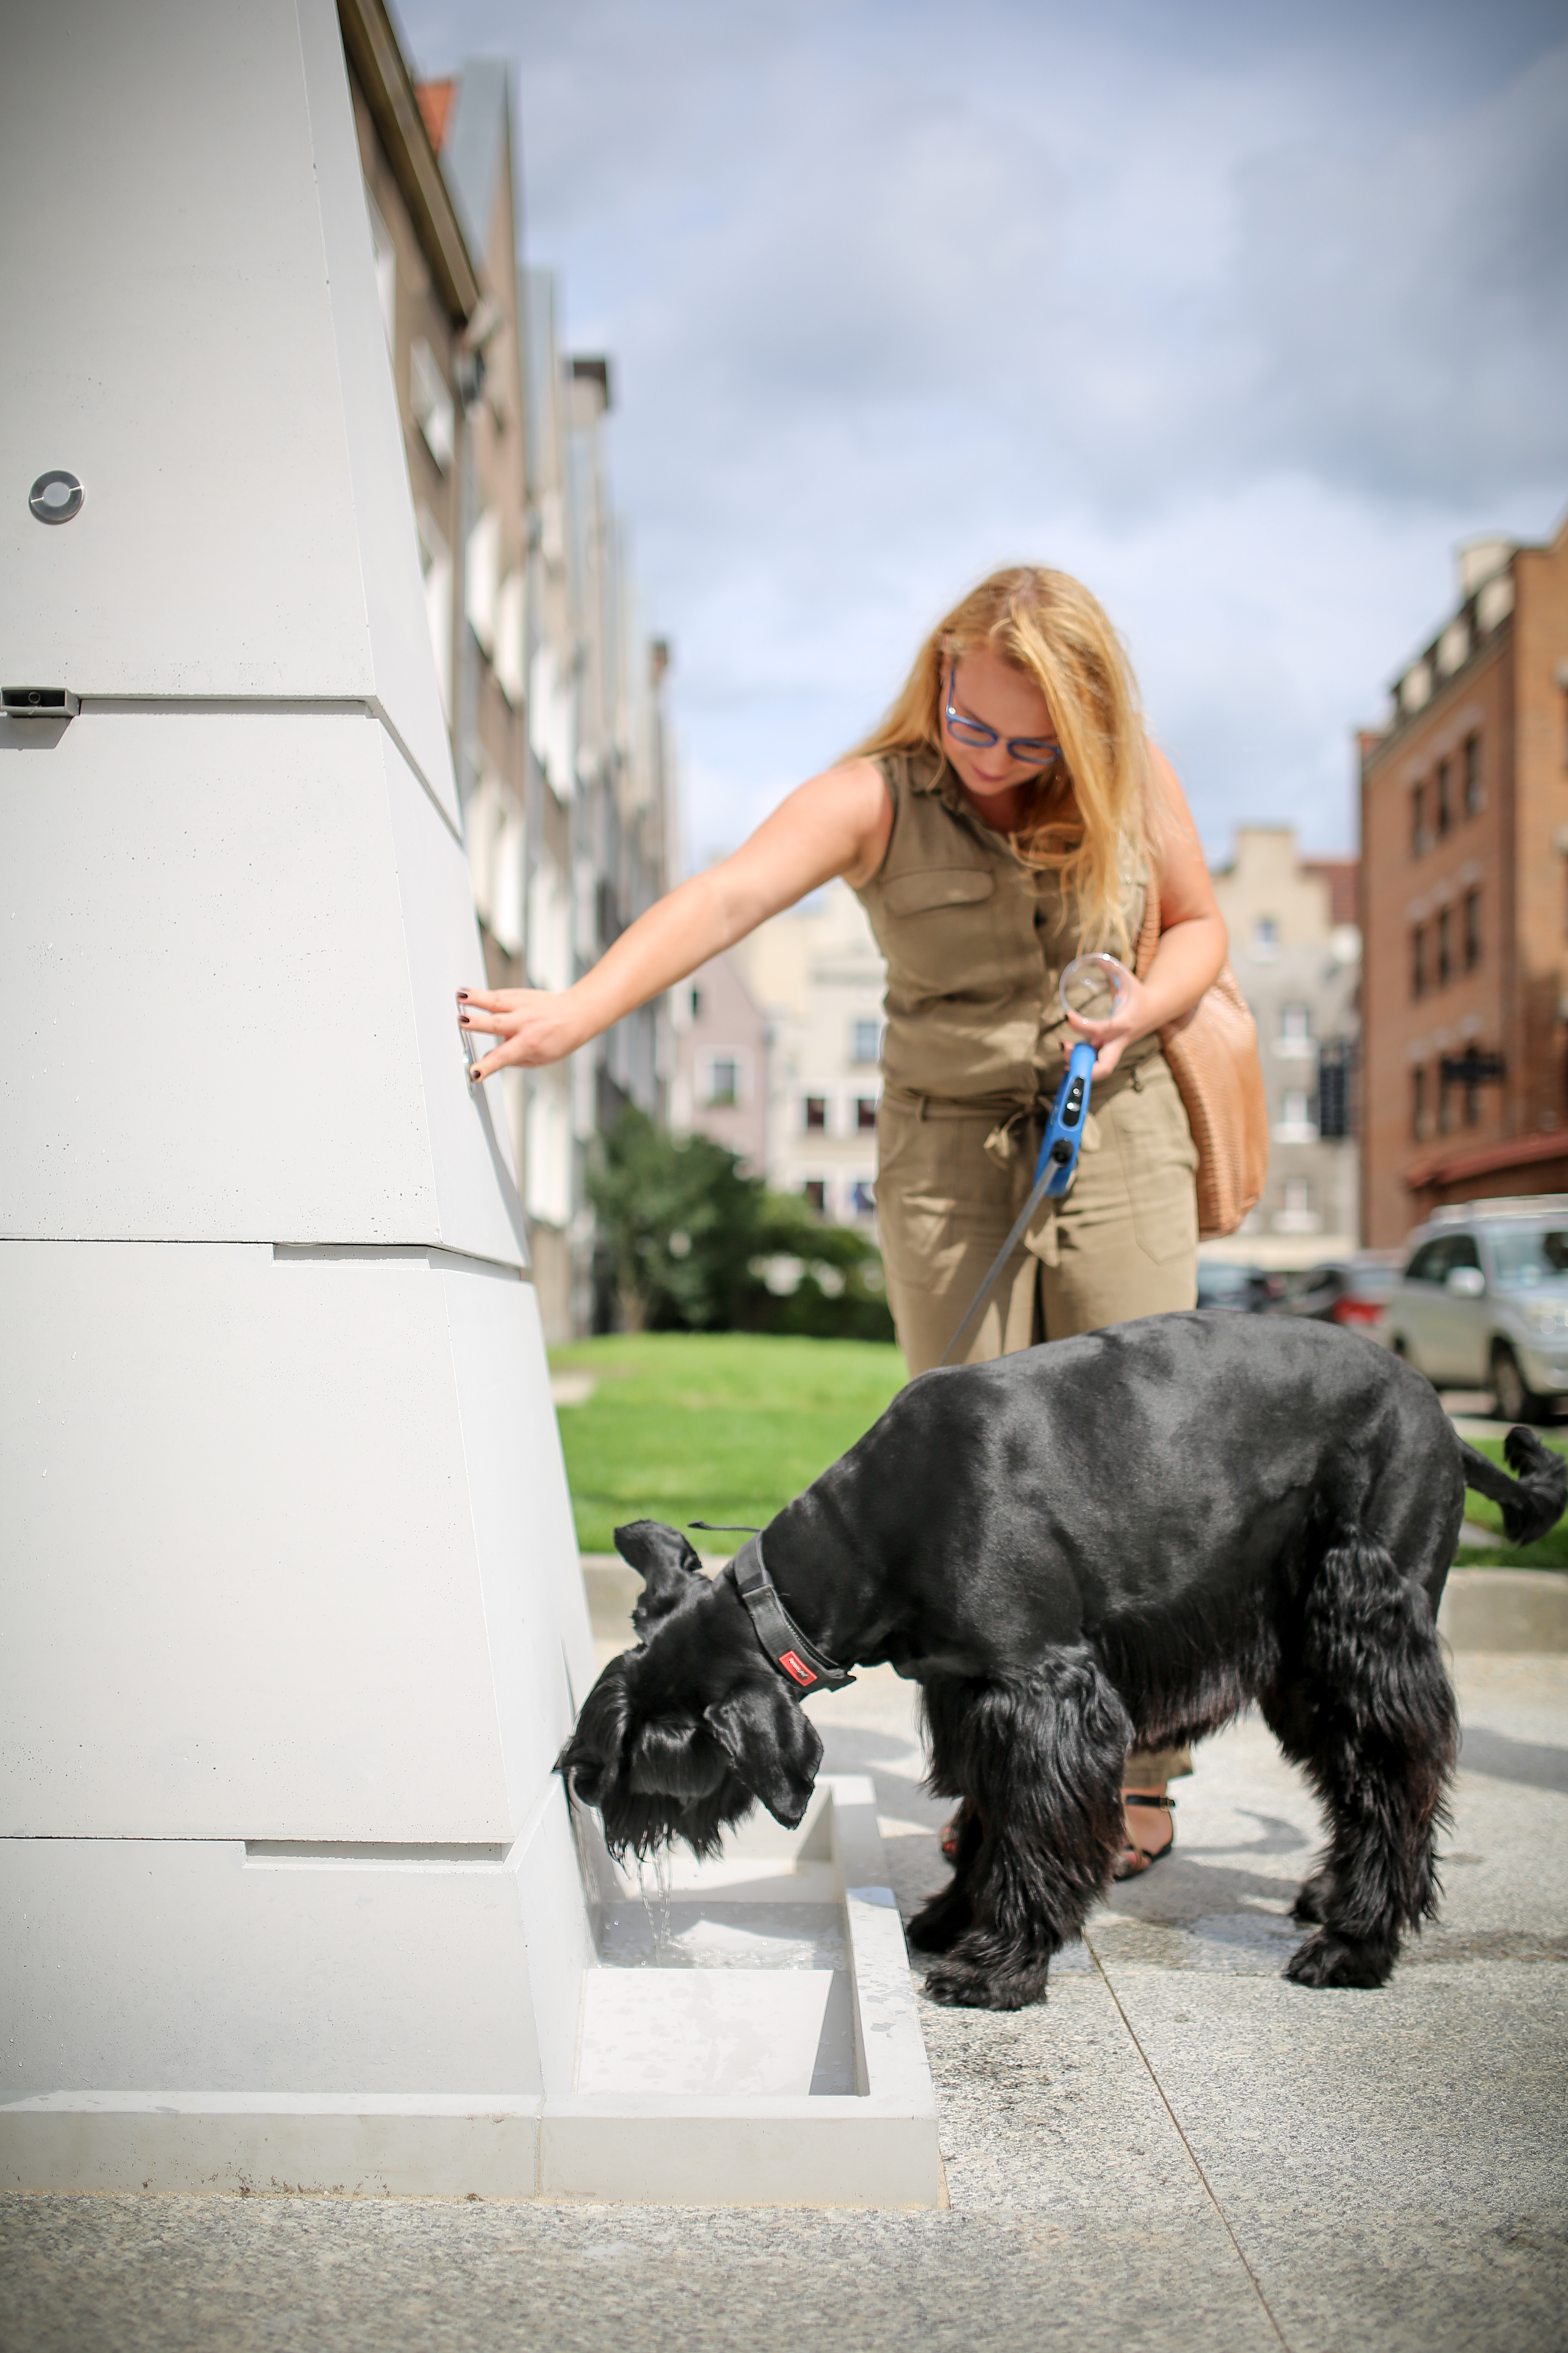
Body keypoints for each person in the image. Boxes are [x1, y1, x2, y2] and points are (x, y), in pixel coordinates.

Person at [458, 566, 1227, 1874]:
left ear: (1081, 725)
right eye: (972, 724)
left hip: (1119, 1122)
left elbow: (1200, 929)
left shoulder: (1127, 770)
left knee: (1136, 1454)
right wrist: (577, 1011)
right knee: (973, 1475)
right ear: (940, 676)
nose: (991, 762)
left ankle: (1141, 1769)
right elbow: (728, 899)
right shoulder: (872, 794)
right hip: (947, 1145)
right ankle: (1008, 1774)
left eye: (1028, 744)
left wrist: (1143, 1010)